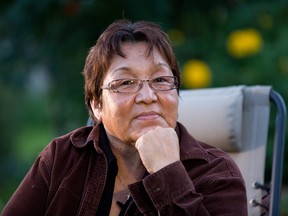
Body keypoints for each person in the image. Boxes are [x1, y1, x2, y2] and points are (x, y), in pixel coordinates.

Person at [1, 19, 248, 216]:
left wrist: (168, 172)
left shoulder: (217, 174)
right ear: (96, 104)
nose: (148, 96)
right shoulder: (62, 158)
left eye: (161, 80)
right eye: (126, 82)